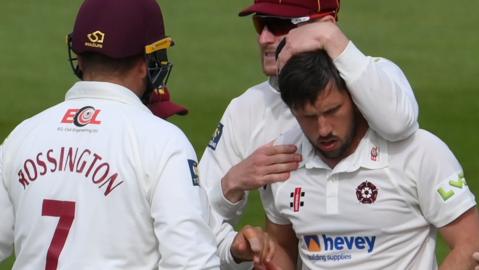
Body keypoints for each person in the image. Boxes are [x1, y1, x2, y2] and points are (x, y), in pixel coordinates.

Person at [0, 0, 275, 268]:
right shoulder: (162, 141)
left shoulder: (23, 136)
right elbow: (191, 262)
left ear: (79, 58)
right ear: (146, 63)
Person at [199, 0, 419, 226]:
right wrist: (231, 184)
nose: (263, 38)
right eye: (260, 24)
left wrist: (331, 38)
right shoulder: (247, 107)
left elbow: (398, 124)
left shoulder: (374, 75)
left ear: (325, 26)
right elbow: (195, 214)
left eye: (278, 25)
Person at [260, 49, 479, 269]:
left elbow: (471, 243)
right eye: (308, 117)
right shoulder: (282, 157)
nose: (324, 129)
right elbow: (282, 246)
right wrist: (260, 250)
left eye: (333, 110)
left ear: (355, 98)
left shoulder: (420, 151)